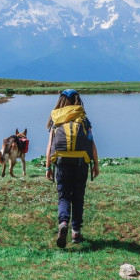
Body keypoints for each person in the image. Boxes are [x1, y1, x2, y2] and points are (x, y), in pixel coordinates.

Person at [45, 89, 100, 247]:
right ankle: (76, 231)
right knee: (78, 197)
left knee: (63, 196)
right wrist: (96, 164)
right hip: (80, 163)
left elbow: (49, 146)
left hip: (62, 163)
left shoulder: (56, 119)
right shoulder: (83, 119)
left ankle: (63, 223)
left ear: (60, 101)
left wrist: (48, 168)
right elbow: (91, 143)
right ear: (78, 100)